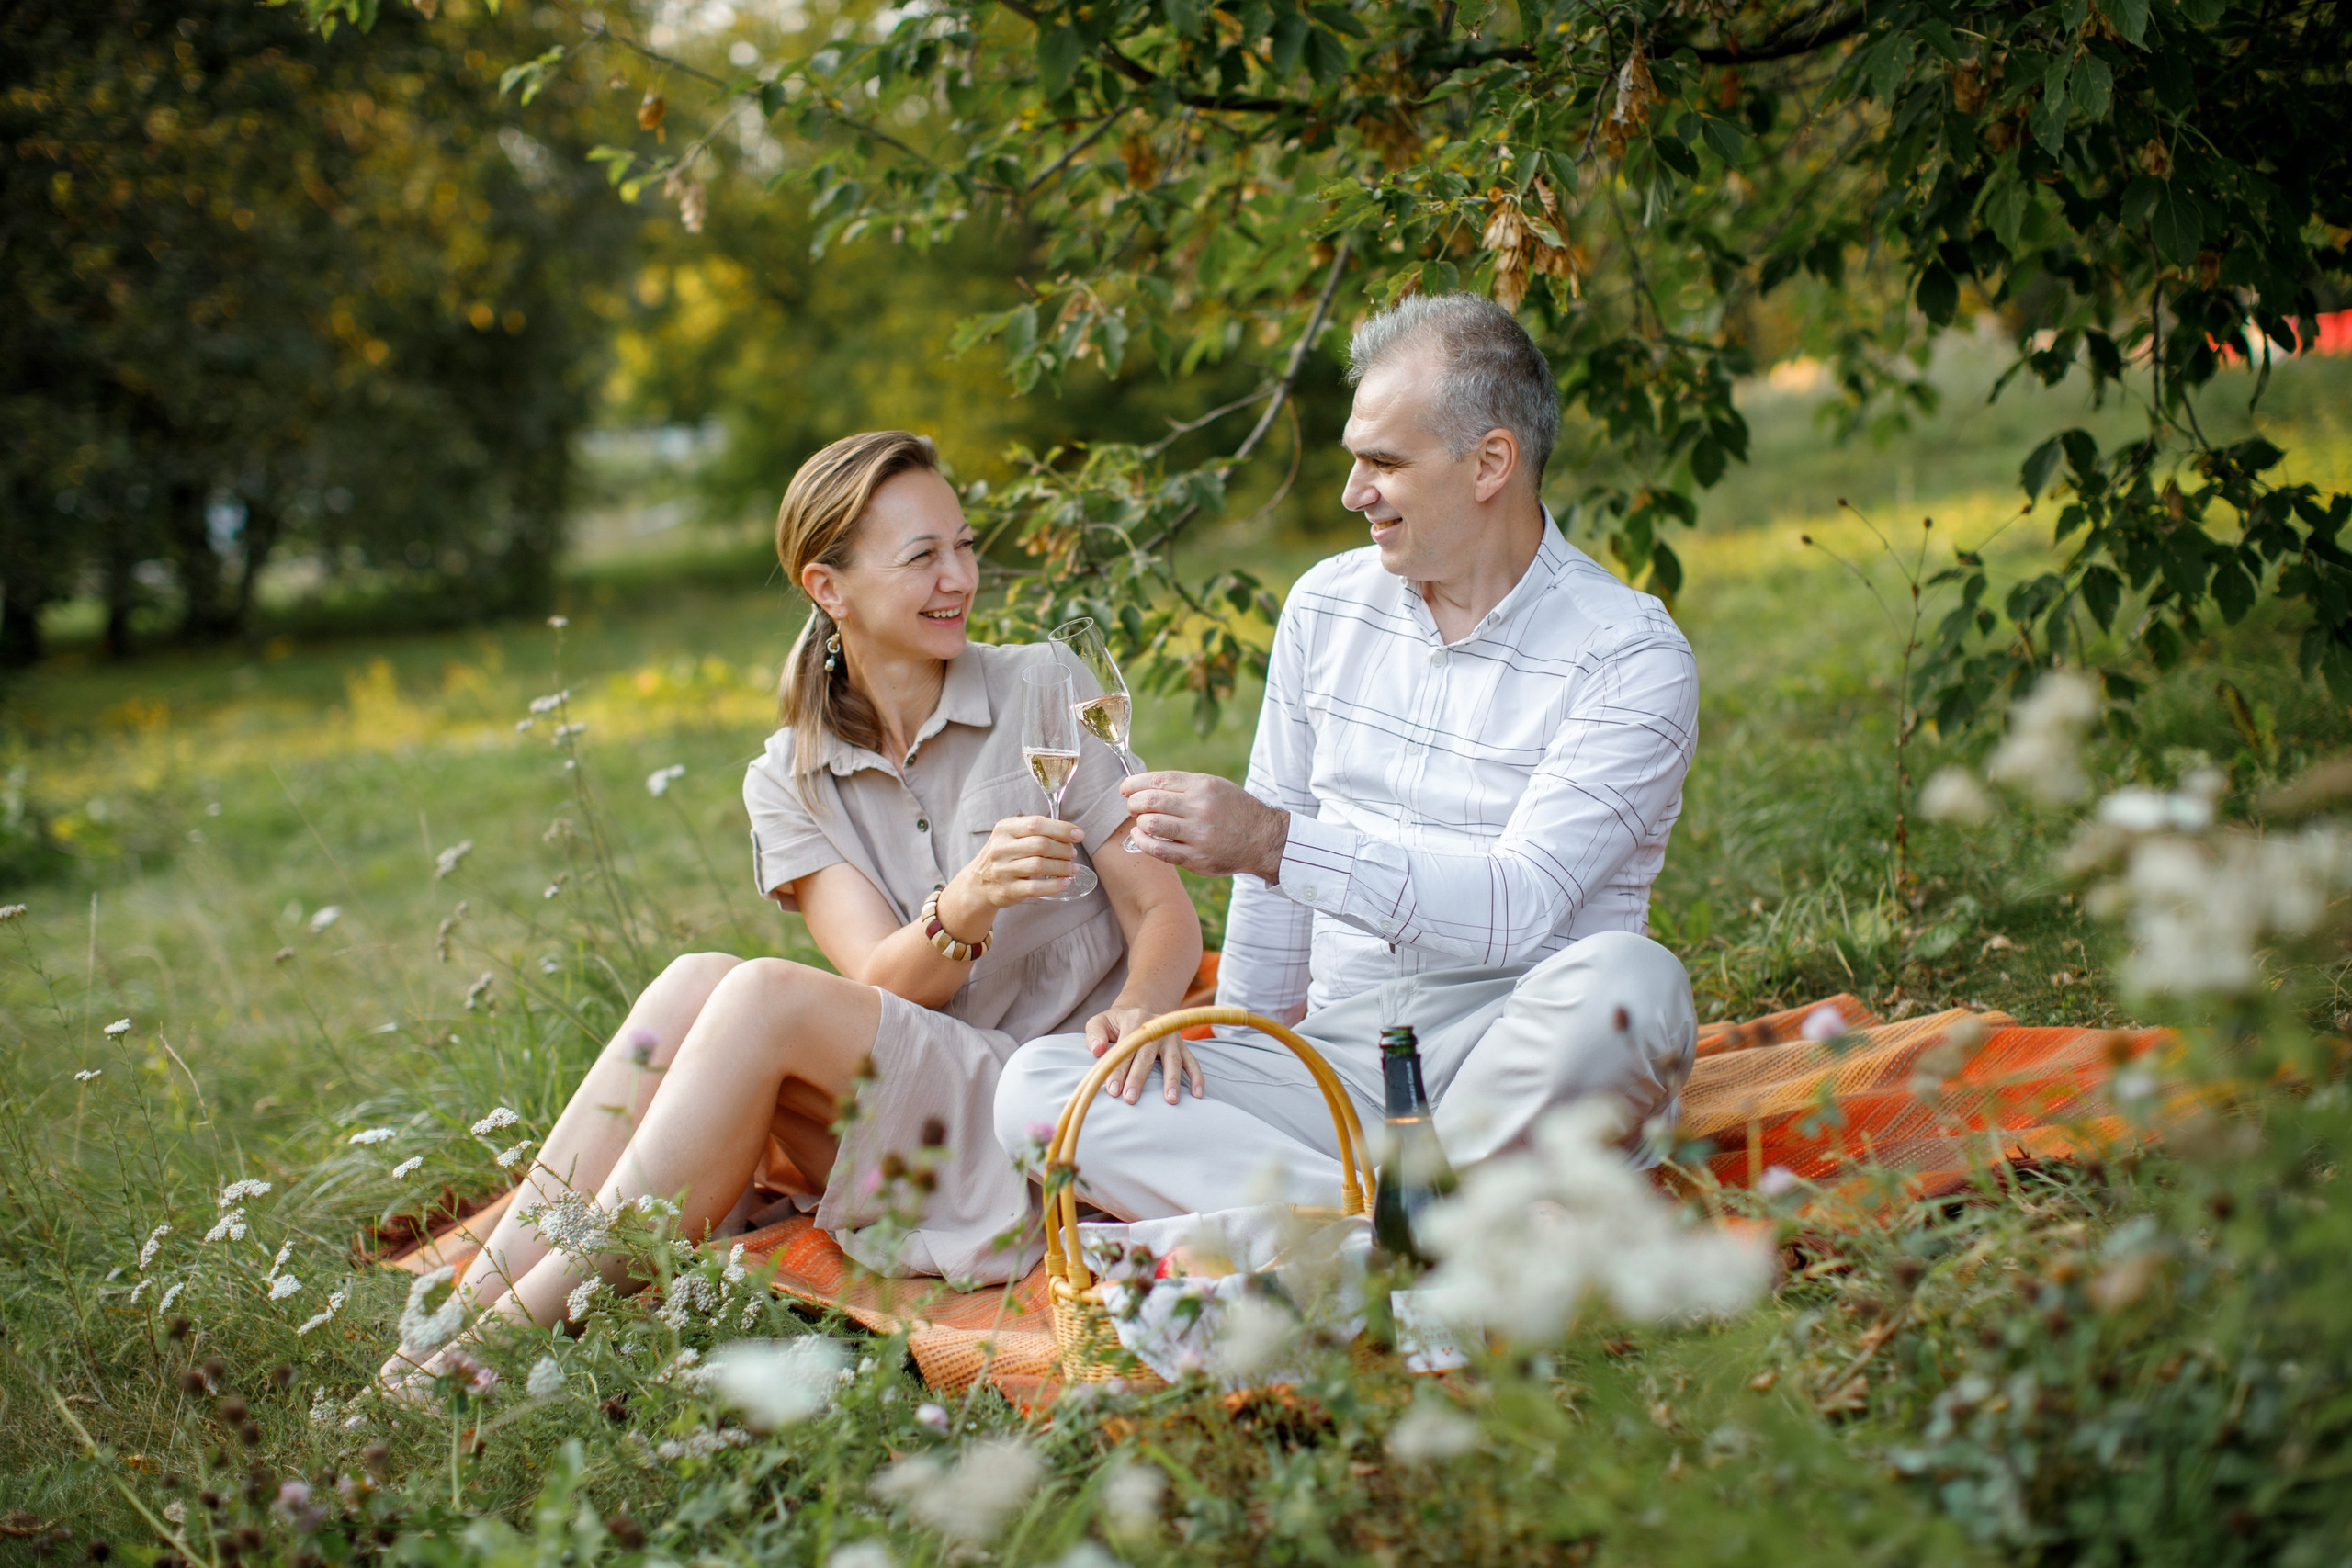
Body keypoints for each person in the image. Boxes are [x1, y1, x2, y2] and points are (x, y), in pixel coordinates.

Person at [382, 431, 1200, 1391]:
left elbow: (1164, 912)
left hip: (1034, 1103)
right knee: (700, 980)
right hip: (904, 1111)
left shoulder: (1045, 689)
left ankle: (496, 1337)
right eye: (922, 556)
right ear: (828, 588)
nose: (959, 578)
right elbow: (883, 983)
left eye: (964, 545)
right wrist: (967, 899)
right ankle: (449, 1324)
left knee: (760, 992)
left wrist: (1146, 1001)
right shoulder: (790, 775)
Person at [992, 294, 1701, 1221]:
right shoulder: (1326, 605)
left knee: (1629, 986)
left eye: (1383, 462)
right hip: (1333, 1065)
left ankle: (1343, 1229)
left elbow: (1519, 908)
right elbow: (1269, 907)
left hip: (1520, 1049)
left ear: (1491, 462)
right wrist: (1230, 1037)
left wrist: (1275, 842)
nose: (1351, 492)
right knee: (1043, 1091)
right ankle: (1411, 1229)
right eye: (1353, 459)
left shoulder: (1628, 654)